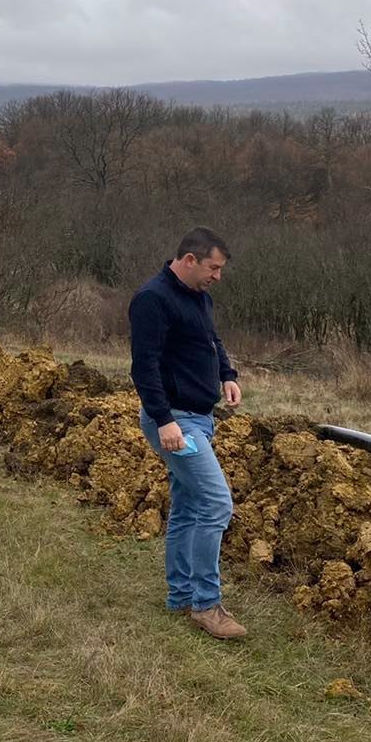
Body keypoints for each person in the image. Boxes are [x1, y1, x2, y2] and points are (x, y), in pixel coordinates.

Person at [128, 227, 245, 638]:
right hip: (177, 420)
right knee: (216, 504)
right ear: (190, 260)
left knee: (188, 507)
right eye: (214, 268)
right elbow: (143, 367)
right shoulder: (153, 300)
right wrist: (164, 421)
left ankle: (181, 596)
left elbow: (211, 340)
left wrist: (227, 375)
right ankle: (207, 605)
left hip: (199, 415)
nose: (218, 276)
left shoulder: (199, 296)